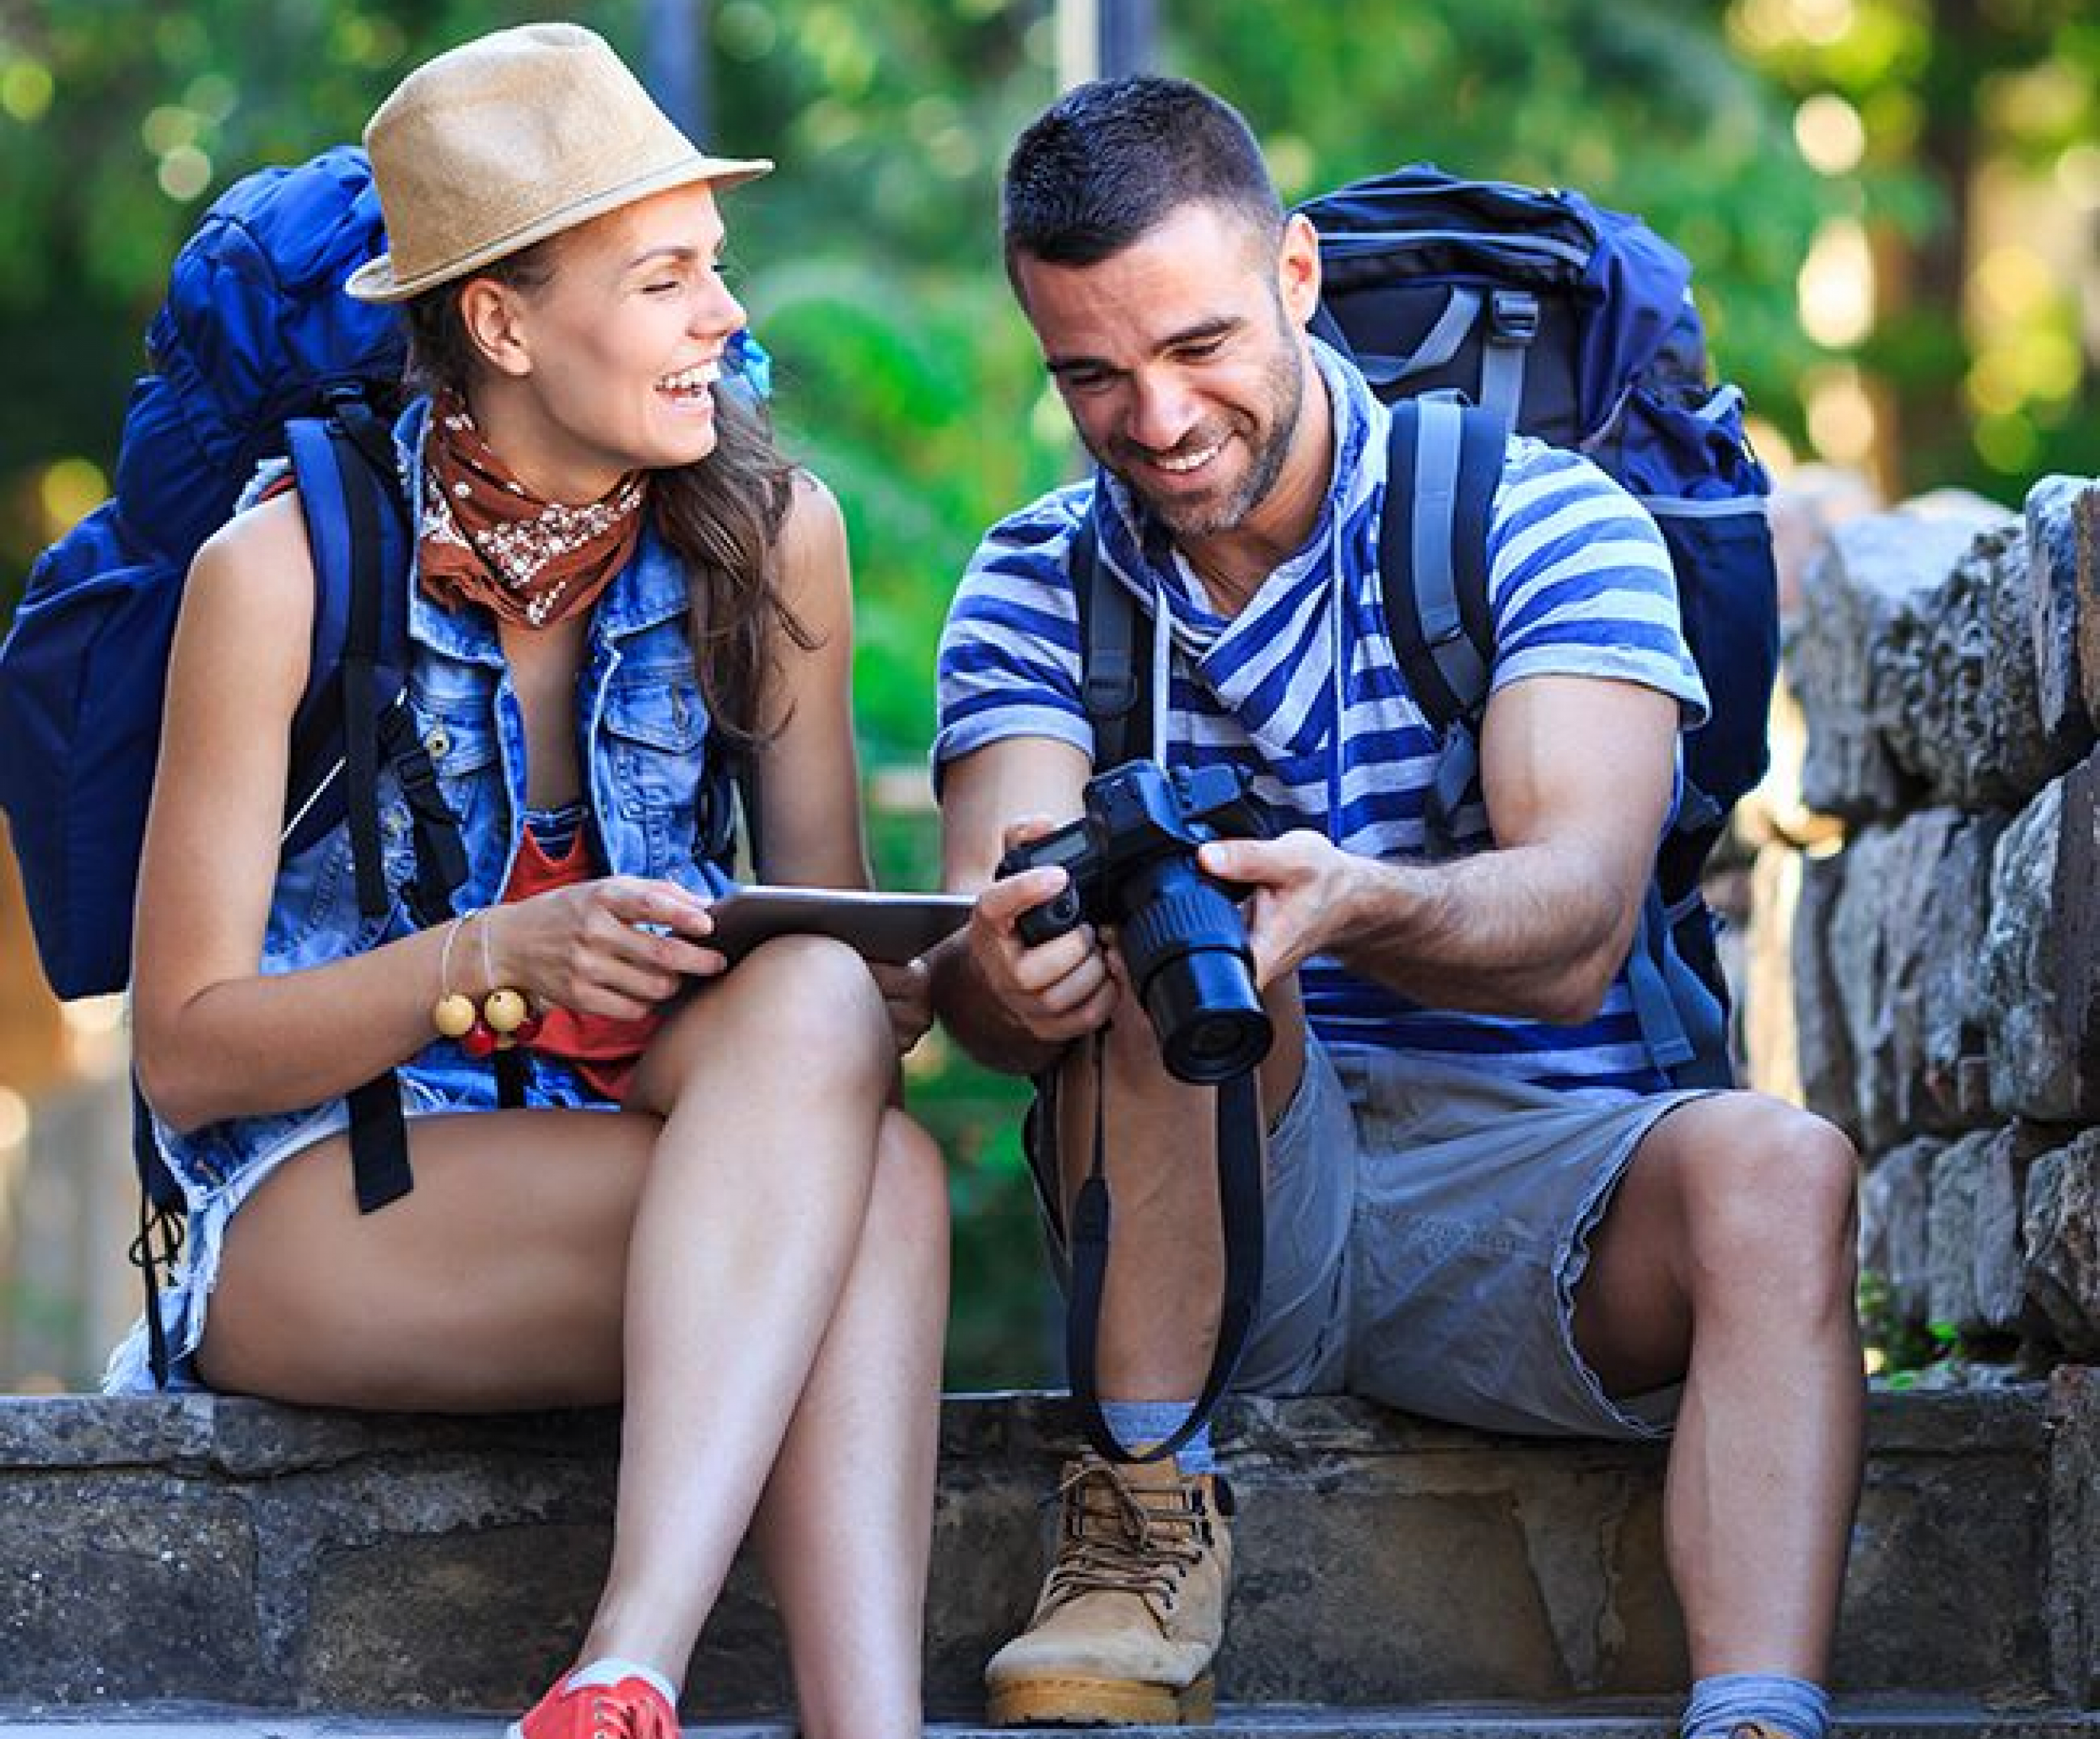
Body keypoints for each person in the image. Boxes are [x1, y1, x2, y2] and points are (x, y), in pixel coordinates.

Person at [931, 75, 1862, 1739]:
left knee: (1782, 1170)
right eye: (1091, 372)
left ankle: (1758, 1714)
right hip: (1210, 1191)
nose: (1154, 418)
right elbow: (986, 984)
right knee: (1161, 933)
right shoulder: (1030, 579)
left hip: (1540, 1201)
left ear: (1297, 276)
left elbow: (1579, 924)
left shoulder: (1539, 516)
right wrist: (1012, 969)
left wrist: (1352, 900)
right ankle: (1139, 1513)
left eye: (1198, 345)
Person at [114, 24, 948, 1739]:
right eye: (663, 280)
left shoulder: (767, 534)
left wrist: (953, 961)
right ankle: (671, 1681)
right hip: (330, 1197)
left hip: (662, 1159)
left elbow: (844, 991)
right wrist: (488, 953)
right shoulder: (277, 570)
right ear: (499, 321)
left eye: (715, 270)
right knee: (881, 1205)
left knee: (832, 1055)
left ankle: (648, 1678)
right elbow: (186, 1055)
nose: (725, 315)